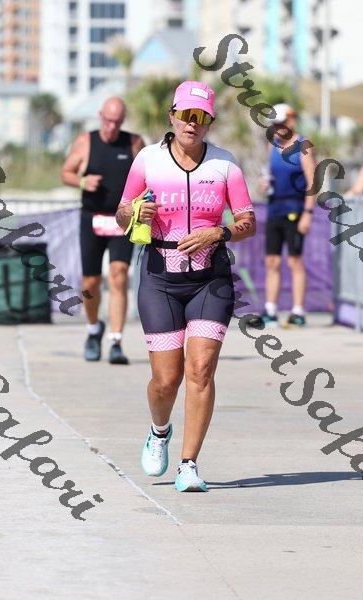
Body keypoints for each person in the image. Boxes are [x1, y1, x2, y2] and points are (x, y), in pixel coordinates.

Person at [116, 81, 255, 492]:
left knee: (200, 371)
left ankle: (189, 464)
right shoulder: (148, 159)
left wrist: (219, 233)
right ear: (172, 116)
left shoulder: (225, 164)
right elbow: (122, 214)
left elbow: (248, 221)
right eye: (186, 115)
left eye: (201, 117)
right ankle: (159, 430)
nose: (192, 124)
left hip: (210, 280)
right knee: (166, 379)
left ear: (210, 121)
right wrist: (135, 212)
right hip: (160, 278)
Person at [61, 97, 144, 363]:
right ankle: (93, 328)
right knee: (91, 282)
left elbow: (147, 177)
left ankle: (116, 341)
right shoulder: (86, 141)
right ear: (100, 116)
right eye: (108, 121)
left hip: (122, 220)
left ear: (123, 120)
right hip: (92, 219)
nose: (111, 127)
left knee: (119, 276)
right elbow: (66, 172)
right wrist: (82, 181)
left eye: (117, 122)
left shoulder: (134, 143)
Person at [251, 103, 316, 328]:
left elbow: (312, 183)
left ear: (291, 120)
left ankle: (298, 312)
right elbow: (269, 178)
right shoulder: (272, 146)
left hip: (295, 209)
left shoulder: (303, 145)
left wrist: (308, 213)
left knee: (294, 260)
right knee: (272, 261)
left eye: (280, 123)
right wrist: (263, 185)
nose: (277, 128)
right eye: (274, 124)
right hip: (274, 209)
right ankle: (270, 311)